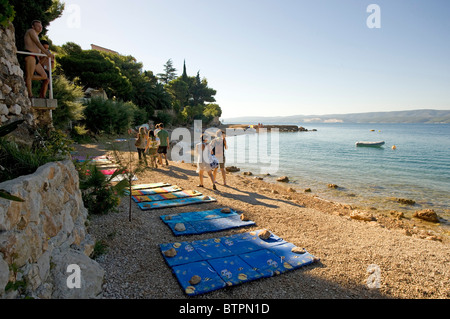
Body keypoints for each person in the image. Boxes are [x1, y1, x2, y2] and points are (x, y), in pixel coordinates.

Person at [24, 20, 54, 98]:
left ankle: (26, 78)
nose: (40, 27)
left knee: (44, 76)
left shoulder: (37, 35)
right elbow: (37, 43)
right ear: (33, 26)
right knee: (29, 76)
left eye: (41, 26)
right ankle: (30, 94)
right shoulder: (31, 31)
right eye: (38, 26)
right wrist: (47, 53)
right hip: (30, 55)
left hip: (35, 58)